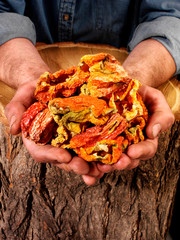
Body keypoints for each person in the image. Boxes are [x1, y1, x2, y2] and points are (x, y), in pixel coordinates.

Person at [0, 0, 179, 186]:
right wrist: (29, 75)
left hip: (127, 66)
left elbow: (172, 16)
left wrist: (131, 80)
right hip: (28, 58)